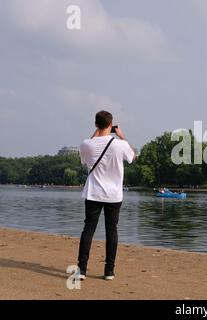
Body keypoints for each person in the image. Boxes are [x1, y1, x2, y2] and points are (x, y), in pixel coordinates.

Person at [77, 110, 135, 281]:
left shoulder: (86, 144)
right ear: (111, 125)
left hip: (93, 193)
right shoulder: (120, 144)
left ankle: (82, 270)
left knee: (88, 229)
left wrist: (97, 133)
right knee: (112, 231)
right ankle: (109, 271)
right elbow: (133, 157)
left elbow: (85, 157)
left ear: (96, 124)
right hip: (113, 195)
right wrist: (122, 136)